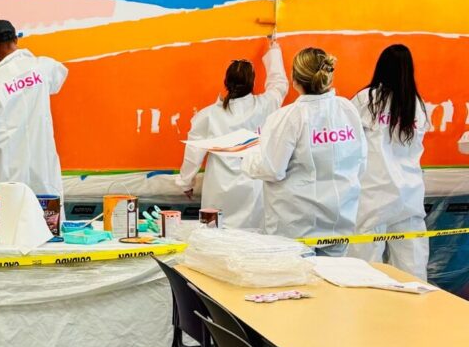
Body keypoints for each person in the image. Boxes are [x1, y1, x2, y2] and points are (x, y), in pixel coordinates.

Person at [242, 47, 367, 255]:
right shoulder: (347, 109)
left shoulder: (288, 117)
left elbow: (272, 169)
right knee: (331, 276)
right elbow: (361, 161)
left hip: (296, 227)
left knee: (299, 276)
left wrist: (247, 158)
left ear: (294, 79)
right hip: (339, 221)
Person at [176, 40, 288, 229]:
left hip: (219, 191)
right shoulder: (266, 105)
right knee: (254, 239)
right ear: (253, 83)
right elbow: (279, 84)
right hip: (254, 190)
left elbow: (193, 153)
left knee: (217, 239)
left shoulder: (208, 115)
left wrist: (186, 183)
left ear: (226, 82)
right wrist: (274, 51)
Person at [348, 45, 430, 279]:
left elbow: (347, 141)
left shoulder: (367, 99)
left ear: (381, 67)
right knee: (413, 272)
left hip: (373, 194)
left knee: (363, 271)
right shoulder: (417, 104)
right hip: (409, 195)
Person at [0, 19, 68, 204]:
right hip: (42, 164)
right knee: (47, 216)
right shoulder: (44, 66)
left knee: (8, 217)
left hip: (5, 168)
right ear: (16, 39)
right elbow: (60, 76)